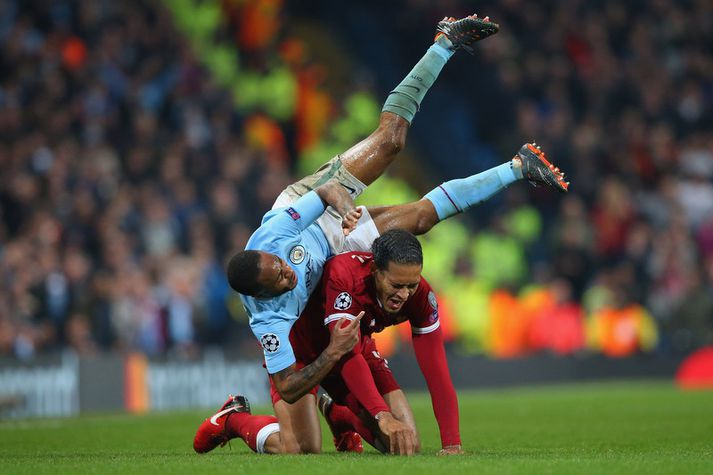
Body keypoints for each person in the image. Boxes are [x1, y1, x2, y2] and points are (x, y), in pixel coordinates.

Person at [194, 14, 569, 456]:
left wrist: (348, 211)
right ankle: (234, 418)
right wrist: (331, 355)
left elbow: (328, 190)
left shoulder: (275, 233)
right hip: (316, 319)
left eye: (280, 266)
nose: (286, 275)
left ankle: (454, 59)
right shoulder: (269, 320)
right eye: (279, 280)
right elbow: (289, 385)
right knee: (298, 450)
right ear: (263, 295)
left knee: (391, 143)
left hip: (322, 219)